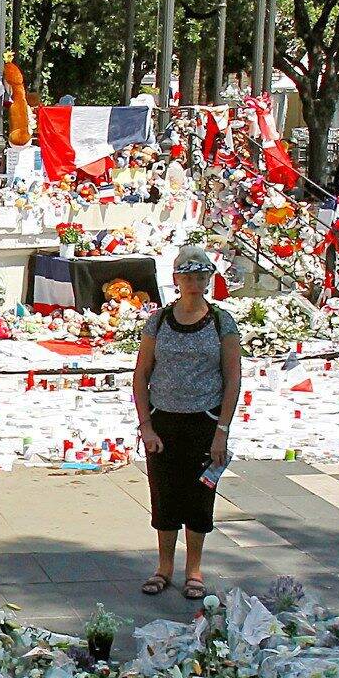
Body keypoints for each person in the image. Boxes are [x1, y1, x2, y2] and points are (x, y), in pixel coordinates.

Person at [131, 245, 240, 599]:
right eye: (187, 277)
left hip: (204, 420)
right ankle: (164, 566)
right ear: (176, 279)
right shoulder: (159, 320)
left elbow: (232, 377)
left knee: (199, 496)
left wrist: (222, 430)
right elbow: (141, 373)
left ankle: (194, 568)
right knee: (164, 494)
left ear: (209, 280)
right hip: (164, 419)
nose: (194, 284)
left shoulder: (222, 322)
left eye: (200, 277)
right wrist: (145, 425)